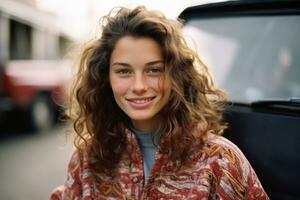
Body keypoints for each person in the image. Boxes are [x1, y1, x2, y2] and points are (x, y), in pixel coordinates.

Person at [50, 6, 269, 200]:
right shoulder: (89, 158)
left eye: (154, 70)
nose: (139, 86)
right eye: (123, 71)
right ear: (106, 78)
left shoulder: (219, 160)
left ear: (175, 75)